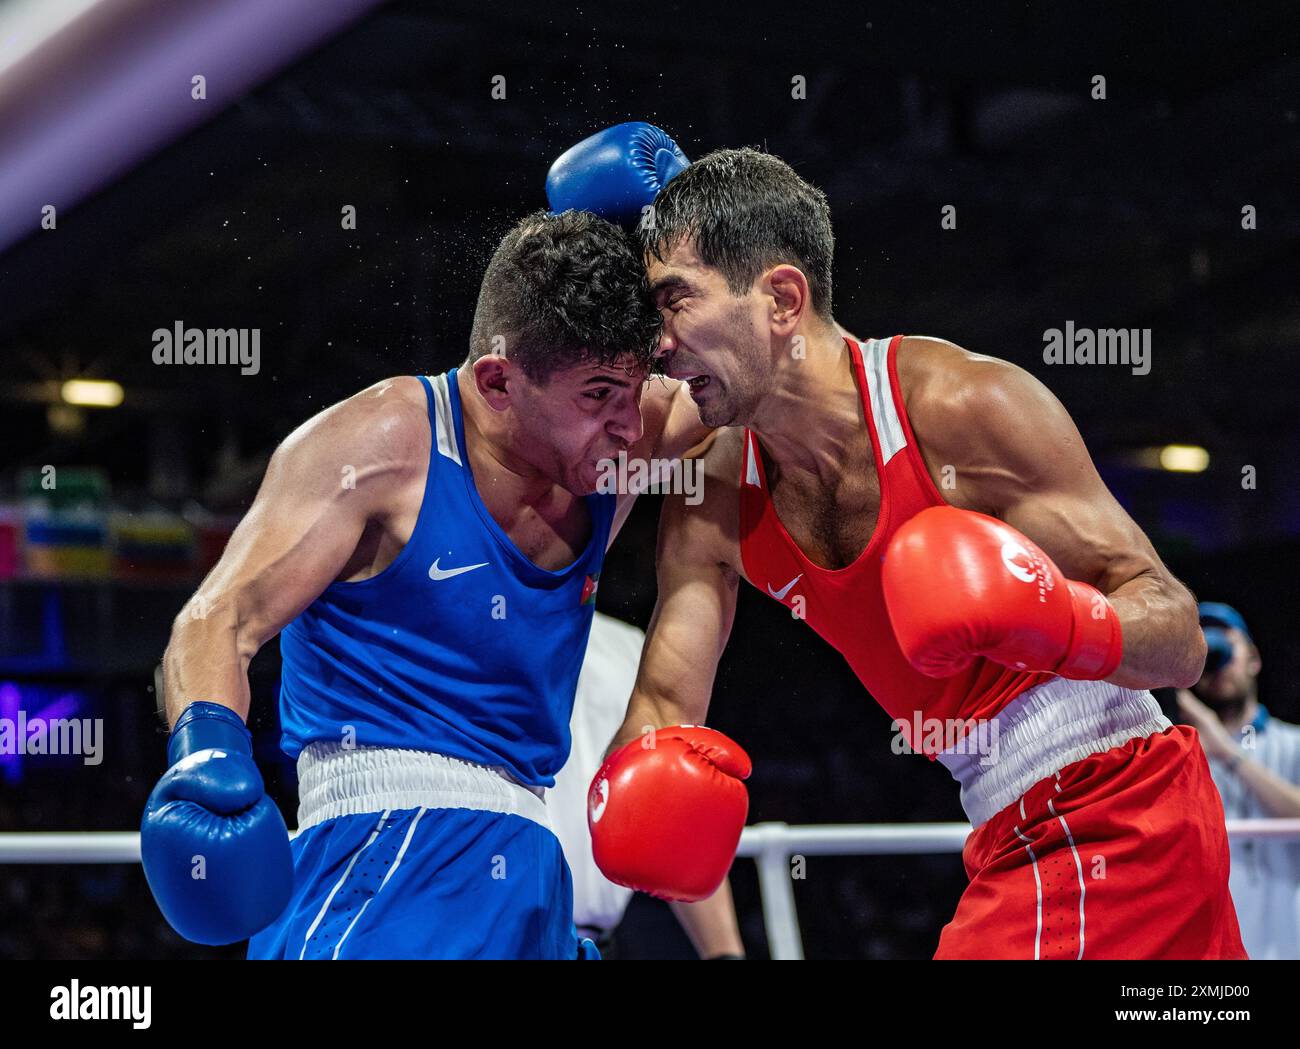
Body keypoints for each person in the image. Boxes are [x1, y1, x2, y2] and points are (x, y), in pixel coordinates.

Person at [581, 143, 1245, 959]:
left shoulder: (962, 406)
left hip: (1121, 801)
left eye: (675, 302)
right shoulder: (715, 499)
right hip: (1009, 821)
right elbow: (663, 706)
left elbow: (1178, 638)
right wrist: (628, 791)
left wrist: (1062, 621)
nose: (660, 344)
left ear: (782, 298)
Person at [141, 207, 712, 959]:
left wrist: (690, 248)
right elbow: (220, 619)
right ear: (498, 382)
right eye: (598, 393)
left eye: (634, 389)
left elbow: (759, 375)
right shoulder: (382, 448)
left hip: (534, 872)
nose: (629, 426)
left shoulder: (613, 448)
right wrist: (207, 750)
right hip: (382, 862)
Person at [548, 610, 746, 959]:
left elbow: (676, 802)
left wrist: (724, 953)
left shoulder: (632, 648)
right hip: (490, 928)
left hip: (594, 944)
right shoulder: (470, 629)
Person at [1177, 602, 1300, 959]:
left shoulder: (1293, 744)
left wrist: (1227, 751)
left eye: (1227, 644)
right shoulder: (1182, 757)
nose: (1218, 659)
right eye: (1205, 650)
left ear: (1254, 659)